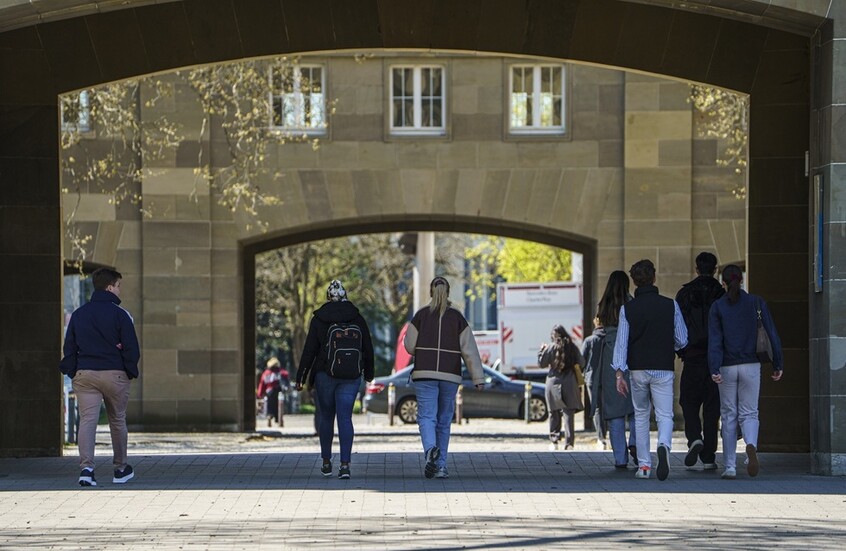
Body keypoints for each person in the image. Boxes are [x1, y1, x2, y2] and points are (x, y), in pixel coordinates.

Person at [59, 267, 140, 487]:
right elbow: (131, 349)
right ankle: (121, 469)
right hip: (115, 374)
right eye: (118, 286)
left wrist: (73, 370)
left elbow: (70, 348)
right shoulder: (121, 315)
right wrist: (130, 371)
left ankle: (86, 469)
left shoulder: (79, 314)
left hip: (85, 374)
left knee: (87, 421)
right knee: (117, 420)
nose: (119, 290)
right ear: (110, 287)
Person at [612, 260, 687, 481]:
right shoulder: (670, 305)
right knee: (665, 414)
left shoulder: (628, 309)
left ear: (634, 281)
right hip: (663, 366)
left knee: (641, 415)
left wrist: (619, 372)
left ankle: (644, 465)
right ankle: (663, 444)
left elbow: (621, 343)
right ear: (654, 278)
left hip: (637, 369)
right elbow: (682, 339)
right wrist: (669, 346)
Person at [404, 276, 484, 479]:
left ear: (431, 292)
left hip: (424, 373)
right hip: (450, 374)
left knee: (426, 417)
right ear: (448, 293)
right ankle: (441, 466)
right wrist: (478, 378)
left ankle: (430, 450)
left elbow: (409, 345)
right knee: (443, 421)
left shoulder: (421, 315)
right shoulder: (457, 318)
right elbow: (470, 351)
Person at [708, 264, 783, 479]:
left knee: (729, 415)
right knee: (750, 412)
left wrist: (714, 367)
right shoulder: (756, 302)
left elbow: (715, 341)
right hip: (751, 365)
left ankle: (730, 466)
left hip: (727, 366)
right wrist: (778, 363)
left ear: (723, 283)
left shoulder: (718, 306)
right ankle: (750, 448)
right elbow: (772, 334)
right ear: (741, 280)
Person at [296, 280, 374, 480]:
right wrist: (370, 374)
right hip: (351, 376)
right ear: (346, 295)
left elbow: (309, 350)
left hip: (324, 375)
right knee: (345, 418)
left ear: (328, 297)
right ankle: (345, 465)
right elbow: (368, 348)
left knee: (326, 417)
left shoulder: (319, 318)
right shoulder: (358, 318)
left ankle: (326, 461)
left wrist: (301, 377)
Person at [675, 252, 725, 470]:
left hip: (693, 357)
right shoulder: (722, 295)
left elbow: (678, 327)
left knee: (688, 402)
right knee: (713, 408)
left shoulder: (685, 294)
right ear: (715, 269)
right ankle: (708, 457)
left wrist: (682, 350)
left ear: (696, 268)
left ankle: (694, 436)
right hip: (716, 359)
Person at [586, 271, 637, 469]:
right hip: (630, 355)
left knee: (615, 413)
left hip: (609, 357)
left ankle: (620, 459)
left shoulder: (603, 305)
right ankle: (634, 443)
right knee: (635, 408)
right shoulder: (631, 304)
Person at [539, 325, 584, 451]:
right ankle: (569, 443)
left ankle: (554, 441)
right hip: (569, 382)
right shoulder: (572, 347)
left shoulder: (550, 347)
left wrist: (541, 350)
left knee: (553, 412)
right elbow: (582, 362)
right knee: (568, 413)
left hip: (553, 382)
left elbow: (542, 364)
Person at [256, 357, 284, 426]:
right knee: (279, 406)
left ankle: (269, 416)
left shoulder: (266, 373)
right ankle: (280, 420)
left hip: (269, 392)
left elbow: (262, 384)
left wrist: (260, 394)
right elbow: (285, 381)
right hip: (279, 391)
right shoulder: (282, 372)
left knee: (270, 406)